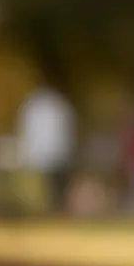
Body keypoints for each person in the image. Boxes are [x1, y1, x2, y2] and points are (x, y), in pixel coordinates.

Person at [16, 84, 78, 216]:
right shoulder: (59, 104)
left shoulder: (34, 106)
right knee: (50, 186)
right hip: (55, 153)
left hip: (47, 154)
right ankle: (53, 208)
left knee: (48, 186)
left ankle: (52, 208)